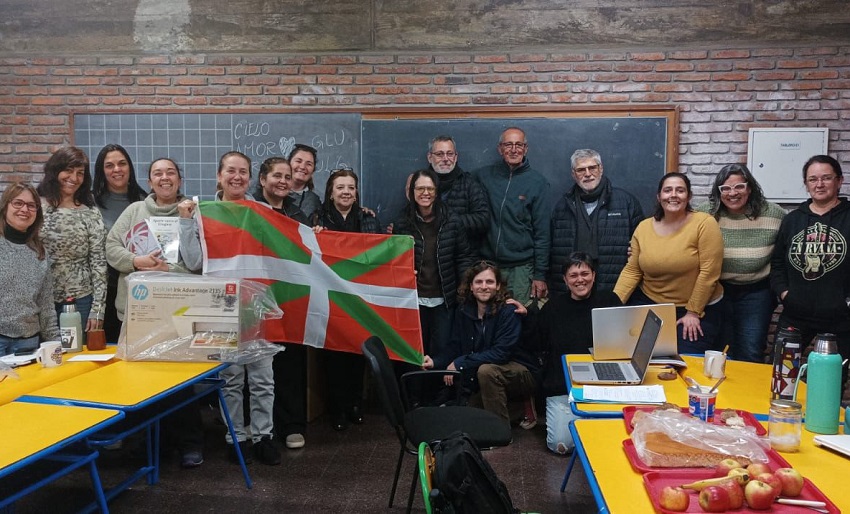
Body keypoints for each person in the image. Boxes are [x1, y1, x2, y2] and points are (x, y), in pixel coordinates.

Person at [178, 151, 280, 466]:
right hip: (220, 307)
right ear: (219, 175)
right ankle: (236, 438)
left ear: (251, 178)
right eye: (231, 171)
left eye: (243, 172)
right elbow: (194, 262)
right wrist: (184, 222)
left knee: (263, 378)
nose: (237, 178)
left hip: (258, 306)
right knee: (232, 379)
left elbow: (282, 253)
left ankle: (264, 436)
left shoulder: (262, 212)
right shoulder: (202, 213)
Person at [106, 157, 205, 468]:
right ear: (149, 182)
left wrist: (186, 220)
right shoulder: (134, 211)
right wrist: (138, 262)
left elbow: (198, 260)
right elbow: (111, 246)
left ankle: (189, 443)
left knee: (181, 381)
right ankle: (150, 445)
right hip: (139, 312)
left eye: (171, 173)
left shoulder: (194, 211)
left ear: (179, 179)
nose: (164, 178)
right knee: (143, 382)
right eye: (157, 173)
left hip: (180, 310)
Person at [613, 172, 724, 354]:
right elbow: (632, 271)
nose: (673, 195)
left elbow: (709, 273)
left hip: (695, 309)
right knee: (636, 355)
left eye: (680, 190)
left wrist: (693, 312)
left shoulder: (704, 223)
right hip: (652, 304)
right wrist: (613, 305)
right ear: (659, 197)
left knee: (681, 362)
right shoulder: (643, 227)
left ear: (688, 196)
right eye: (667, 190)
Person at [525, 252, 620, 453]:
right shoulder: (553, 307)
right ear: (565, 280)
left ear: (593, 275)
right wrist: (528, 316)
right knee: (561, 446)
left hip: (604, 384)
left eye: (584, 273)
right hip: (563, 388)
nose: (580, 280)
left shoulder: (610, 300)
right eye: (573, 275)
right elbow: (534, 342)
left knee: (613, 444)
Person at [423, 261, 539, 424]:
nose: (484, 286)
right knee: (467, 412)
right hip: (488, 370)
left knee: (486, 371)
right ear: (471, 286)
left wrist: (460, 363)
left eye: (490, 282)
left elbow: (501, 353)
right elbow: (456, 345)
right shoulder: (463, 310)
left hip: (519, 370)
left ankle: (500, 432)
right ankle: (521, 408)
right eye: (478, 282)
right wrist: (436, 361)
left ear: (498, 286)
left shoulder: (509, 310)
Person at [696, 164, 786, 363]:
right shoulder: (705, 213)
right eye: (725, 188)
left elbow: (791, 244)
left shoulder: (774, 213)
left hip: (757, 293)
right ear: (718, 192)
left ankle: (748, 393)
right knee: (720, 351)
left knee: (751, 349)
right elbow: (680, 235)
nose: (732, 193)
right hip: (717, 292)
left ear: (750, 188)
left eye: (739, 187)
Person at [253, 156, 310, 451]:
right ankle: (262, 429)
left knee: (290, 363)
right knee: (257, 367)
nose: (283, 182)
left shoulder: (298, 216)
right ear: (262, 179)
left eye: (288, 177)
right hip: (254, 300)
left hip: (289, 301)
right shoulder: (247, 211)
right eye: (277, 176)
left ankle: (292, 424)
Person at [318, 168, 381, 430]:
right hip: (330, 297)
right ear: (331, 193)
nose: (346, 192)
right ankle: (337, 409)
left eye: (351, 187)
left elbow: (380, 252)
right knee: (334, 357)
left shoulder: (368, 220)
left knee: (358, 354)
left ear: (356, 193)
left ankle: (355, 404)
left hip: (359, 297)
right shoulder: (318, 220)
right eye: (340, 187)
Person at [771, 155, 850, 363]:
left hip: (841, 318)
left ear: (839, 181)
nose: (820, 184)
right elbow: (777, 262)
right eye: (813, 179)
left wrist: (847, 302)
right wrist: (785, 293)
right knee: (781, 372)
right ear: (806, 184)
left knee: (832, 380)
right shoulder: (792, 220)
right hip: (796, 314)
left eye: (826, 178)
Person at [393, 168, 474, 360]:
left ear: (437, 192)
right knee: (415, 354)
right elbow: (395, 260)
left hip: (444, 301)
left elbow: (463, 256)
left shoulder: (452, 220)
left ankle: (439, 391)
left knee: (440, 355)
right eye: (420, 189)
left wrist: (463, 288)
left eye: (430, 188)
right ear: (411, 192)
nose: (425, 193)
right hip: (413, 301)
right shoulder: (402, 222)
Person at [548, 149, 643, 296]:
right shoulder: (562, 207)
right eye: (581, 170)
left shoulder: (626, 202)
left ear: (601, 169)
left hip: (615, 286)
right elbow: (553, 251)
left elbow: (642, 244)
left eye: (592, 167)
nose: (587, 173)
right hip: (574, 290)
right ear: (573, 174)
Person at [473, 127, 550, 303]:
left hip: (521, 268)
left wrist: (540, 274)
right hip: (488, 265)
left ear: (526, 148)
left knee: (518, 317)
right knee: (488, 316)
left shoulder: (538, 183)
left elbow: (543, 234)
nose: (514, 149)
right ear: (500, 149)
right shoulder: (482, 176)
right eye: (508, 144)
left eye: (519, 144)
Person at [37, 146, 107, 336]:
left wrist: (98, 308)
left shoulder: (89, 212)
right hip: (40, 300)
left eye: (80, 173)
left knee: (76, 356)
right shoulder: (35, 207)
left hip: (81, 300)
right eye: (68, 170)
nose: (74, 178)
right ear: (55, 170)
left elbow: (98, 262)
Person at [92, 144, 148, 344]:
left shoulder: (146, 202)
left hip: (138, 290)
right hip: (103, 291)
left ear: (130, 167)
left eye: (122, 164)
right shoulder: (91, 204)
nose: (117, 169)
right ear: (101, 171)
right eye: (110, 165)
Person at [0, 182, 61, 354]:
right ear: (5, 206)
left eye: (31, 206)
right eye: (18, 203)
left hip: (29, 343)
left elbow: (46, 303)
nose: (24, 209)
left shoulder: (40, 252)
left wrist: (55, 345)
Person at [425, 135, 490, 252]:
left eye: (450, 154)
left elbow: (482, 219)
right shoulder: (421, 183)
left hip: (463, 256)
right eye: (439, 154)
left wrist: (448, 222)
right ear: (430, 157)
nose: (445, 158)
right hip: (429, 257)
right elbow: (410, 215)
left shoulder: (469, 184)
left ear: (456, 157)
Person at [288, 143, 322, 221]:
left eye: (309, 164)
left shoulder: (314, 201)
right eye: (298, 161)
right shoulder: (275, 193)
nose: (303, 167)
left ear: (313, 171)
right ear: (288, 163)